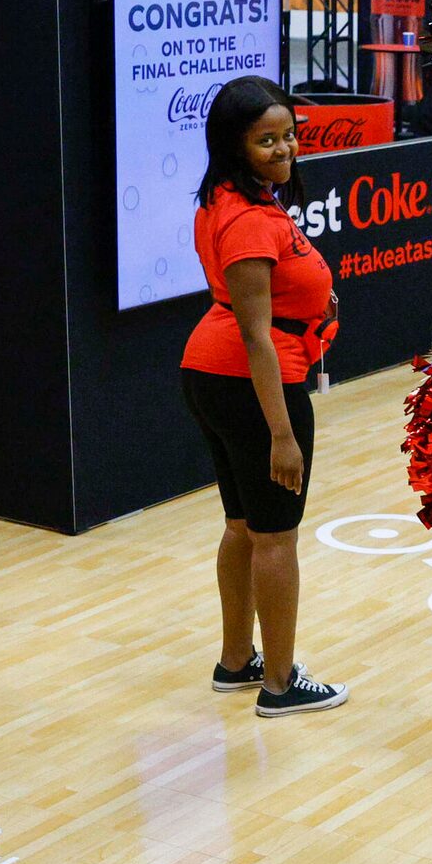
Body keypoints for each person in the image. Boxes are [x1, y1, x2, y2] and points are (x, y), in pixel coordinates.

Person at [180, 76, 348, 718]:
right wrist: (281, 433)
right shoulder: (249, 221)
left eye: (288, 135)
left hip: (216, 375)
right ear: (233, 146)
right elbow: (257, 338)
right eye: (265, 141)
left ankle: (236, 662)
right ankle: (279, 684)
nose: (283, 149)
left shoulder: (228, 200)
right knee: (277, 537)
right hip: (253, 384)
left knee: (243, 527)